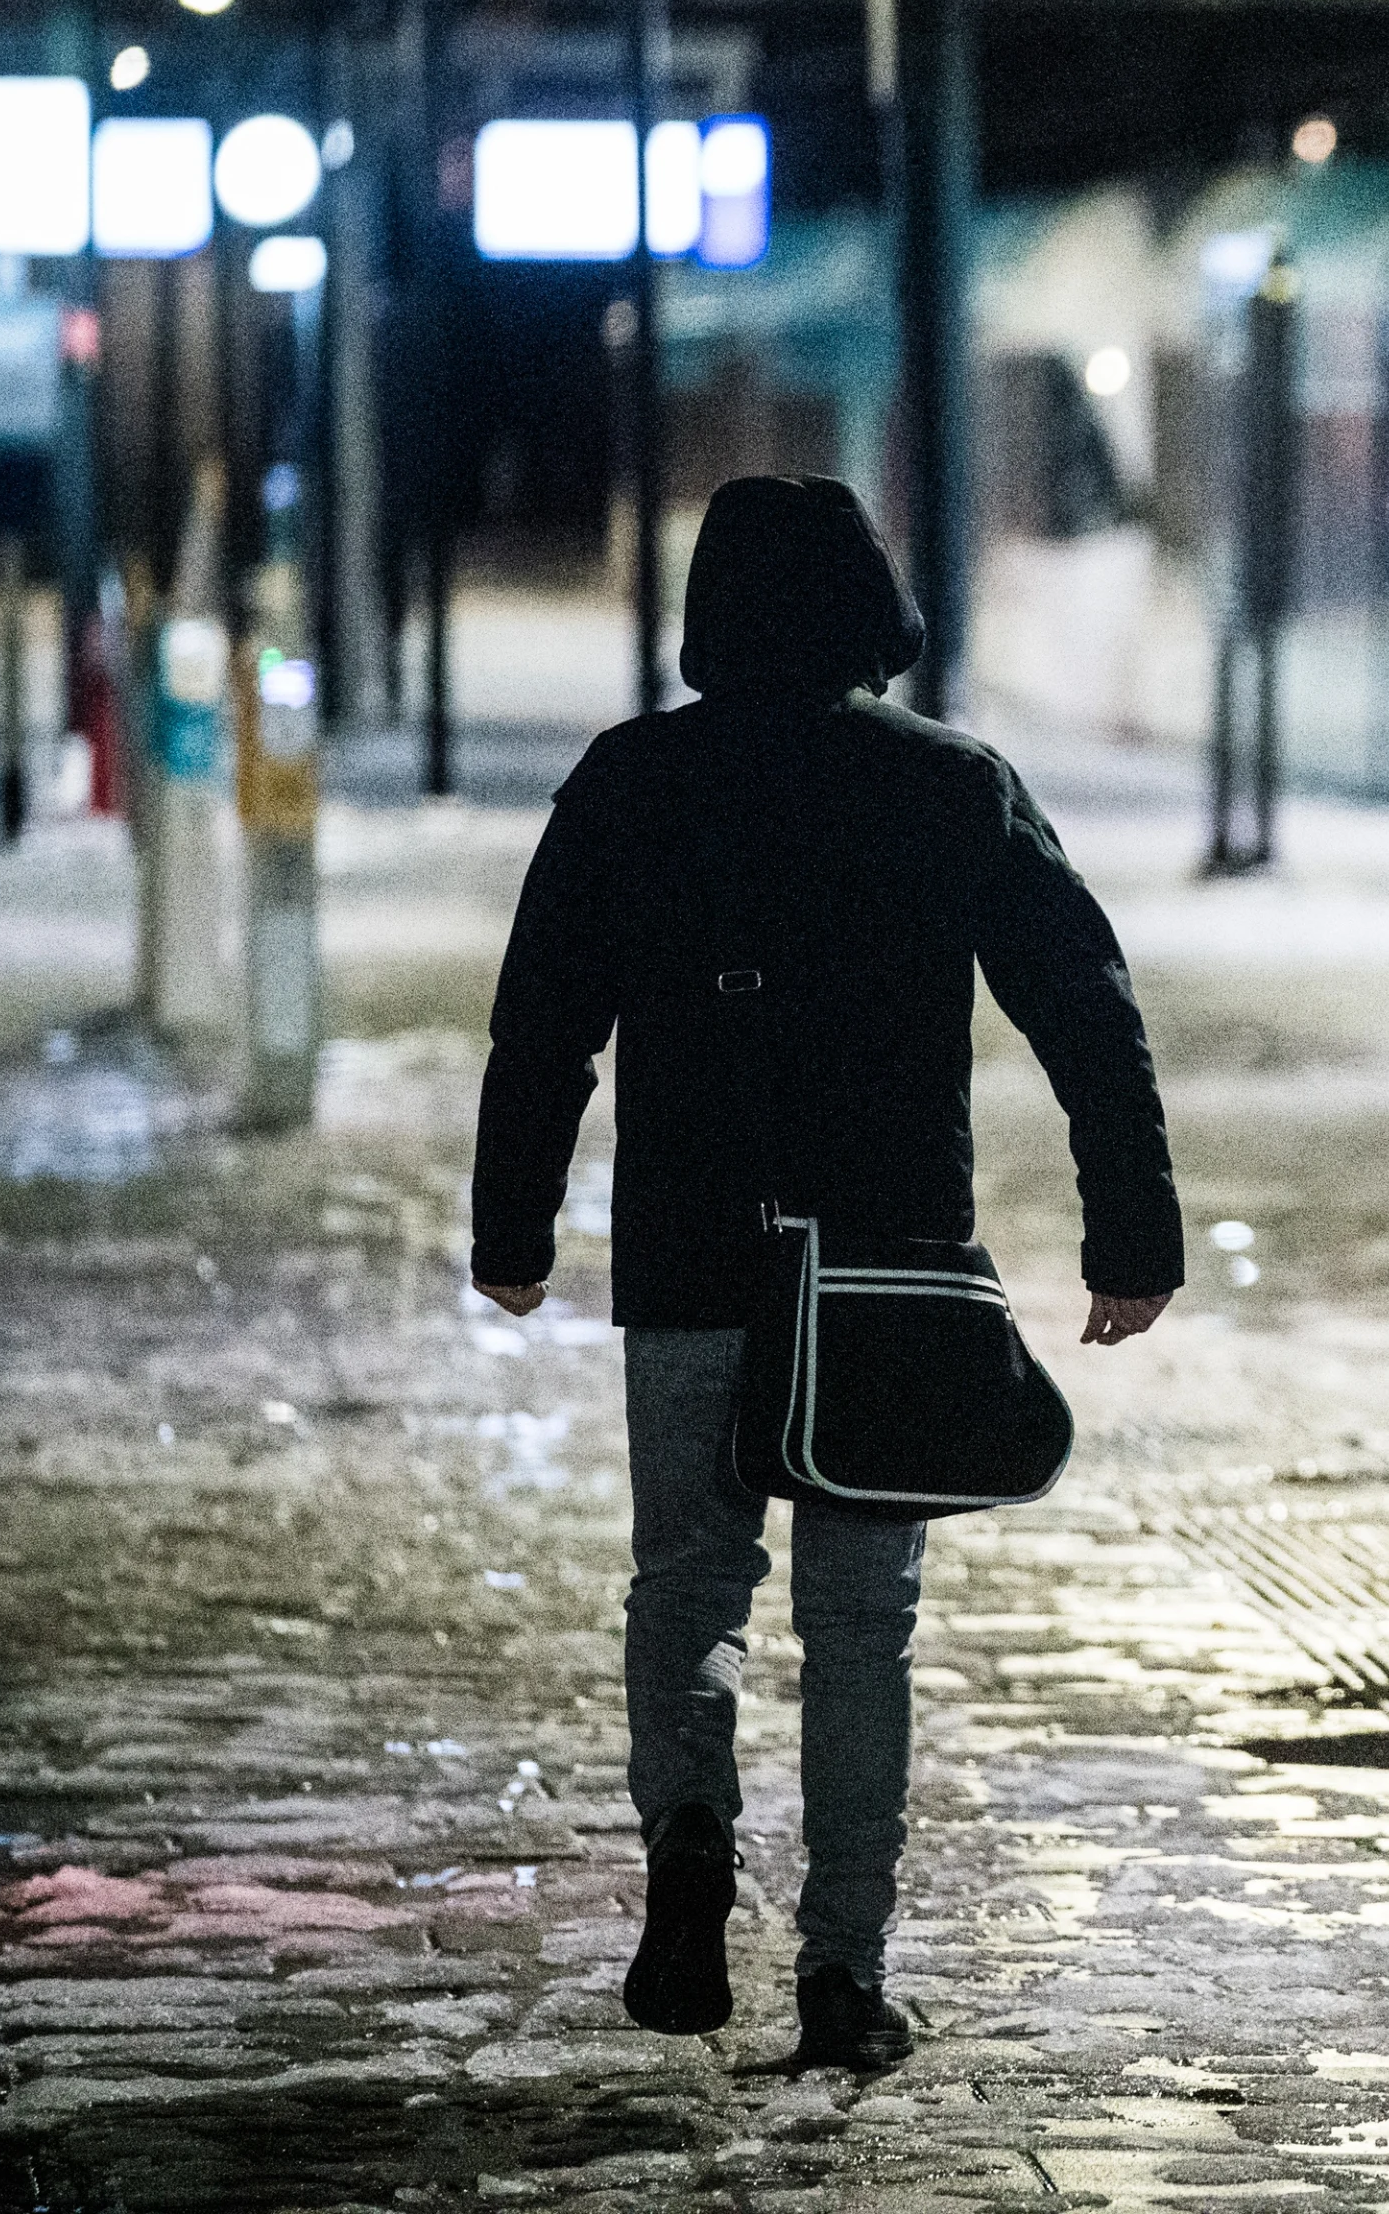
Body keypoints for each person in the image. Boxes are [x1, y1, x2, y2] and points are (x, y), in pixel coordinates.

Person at [466, 474, 1183, 2070]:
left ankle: (690, 1846)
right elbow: (1089, 1012)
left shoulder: (630, 782)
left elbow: (541, 1029)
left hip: (693, 1254)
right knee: (863, 1629)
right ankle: (845, 1974)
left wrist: (511, 1232)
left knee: (689, 1586)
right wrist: (1133, 1232)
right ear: (875, 608)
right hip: (888, 1272)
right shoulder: (955, 788)